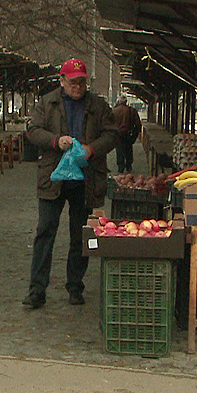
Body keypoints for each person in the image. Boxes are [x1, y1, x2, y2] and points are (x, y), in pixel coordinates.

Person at [22, 58, 118, 308]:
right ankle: (37, 290)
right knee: (45, 232)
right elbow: (33, 131)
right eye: (73, 82)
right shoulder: (47, 103)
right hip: (53, 178)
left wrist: (92, 149)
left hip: (85, 179)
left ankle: (75, 286)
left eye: (82, 82)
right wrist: (55, 141)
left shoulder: (98, 105)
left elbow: (112, 134)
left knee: (80, 235)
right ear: (62, 81)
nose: (78, 86)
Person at [111, 95, 141, 173]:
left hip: (118, 134)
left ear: (119, 102)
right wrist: (135, 135)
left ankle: (120, 167)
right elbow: (138, 124)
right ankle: (128, 166)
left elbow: (109, 124)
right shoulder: (132, 111)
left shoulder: (114, 111)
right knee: (128, 150)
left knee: (119, 150)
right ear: (126, 102)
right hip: (128, 134)